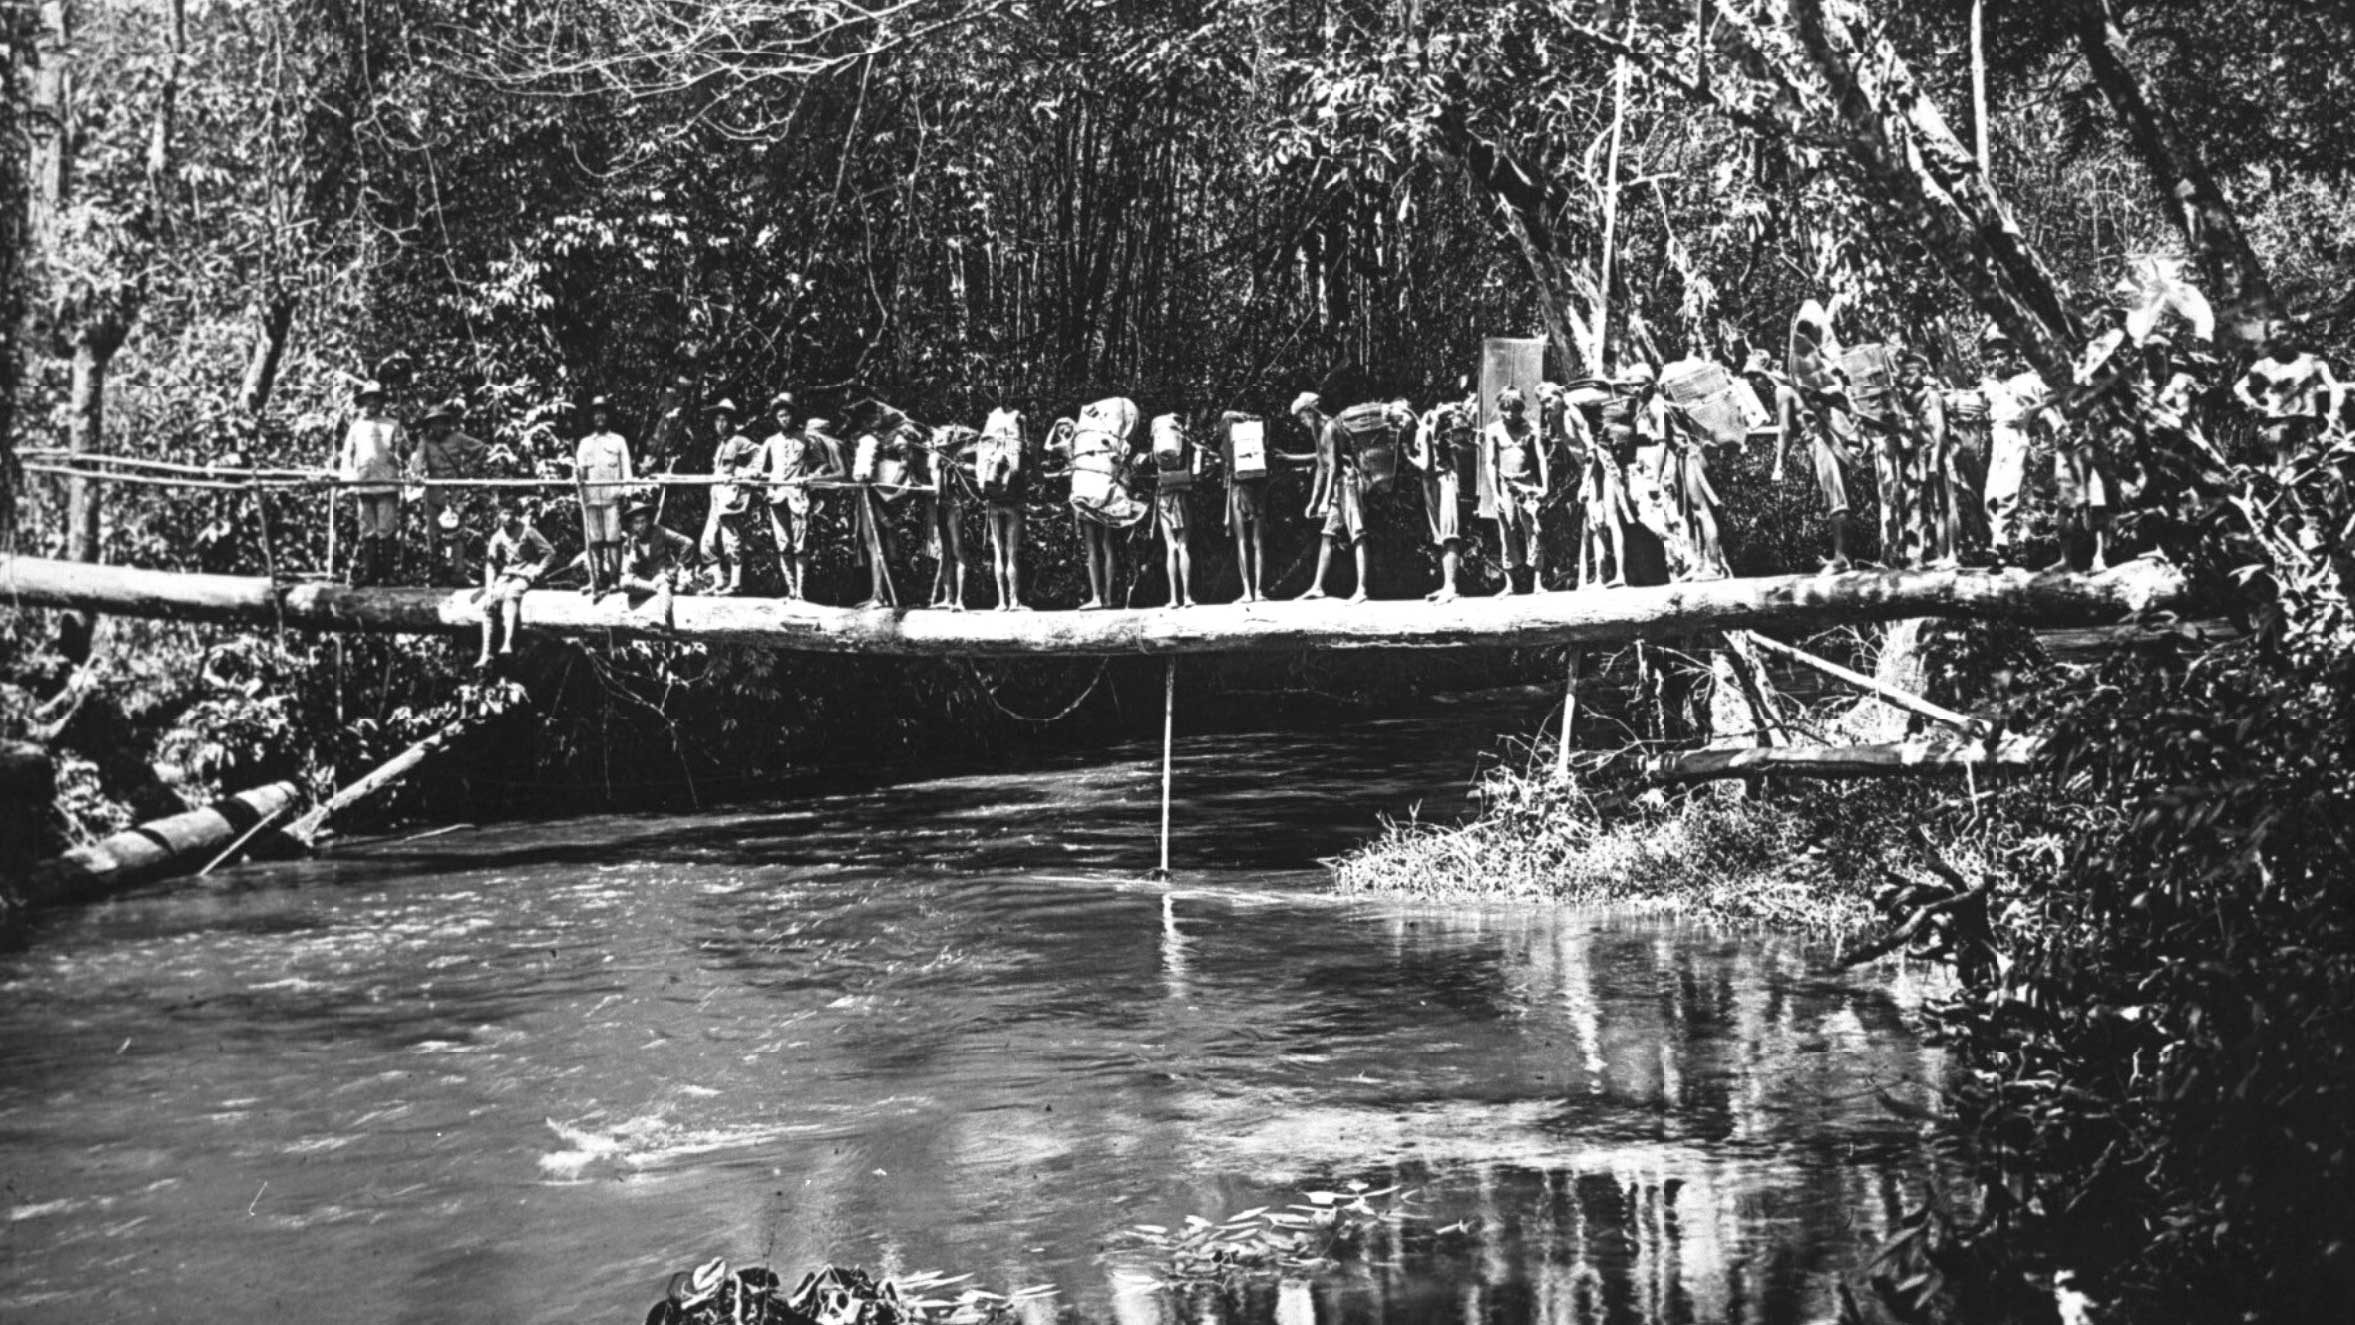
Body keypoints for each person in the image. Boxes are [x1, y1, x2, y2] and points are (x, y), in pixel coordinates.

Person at [1774, 333, 1864, 572]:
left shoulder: (1786, 390)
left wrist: (1779, 464)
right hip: (1830, 440)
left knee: (1836, 498)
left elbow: (1784, 430)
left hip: (1823, 441)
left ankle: (1842, 557)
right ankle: (1845, 555)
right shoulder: (1813, 385)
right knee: (1838, 496)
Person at [1294, 391, 1375, 603]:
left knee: (1357, 532)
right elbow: (1322, 467)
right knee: (1327, 533)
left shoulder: (1330, 428)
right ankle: (1317, 586)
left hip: (1348, 483)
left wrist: (1324, 500)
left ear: (1310, 411)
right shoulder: (1317, 430)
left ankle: (1362, 589)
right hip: (1337, 486)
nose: (1302, 422)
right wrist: (1314, 500)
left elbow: (1335, 467)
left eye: (1302, 417)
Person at [1979, 333, 2053, 559]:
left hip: (2016, 436)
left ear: (2012, 358)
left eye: (2002, 356)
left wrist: (2030, 412)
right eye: (1992, 357)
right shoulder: (1987, 384)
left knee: (2008, 491)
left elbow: (2052, 396)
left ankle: (2000, 541)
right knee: (1990, 495)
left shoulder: (2028, 380)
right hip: (1995, 438)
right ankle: (1998, 543)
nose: (1997, 361)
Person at [757, 392, 832, 602]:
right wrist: (749, 474)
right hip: (776, 495)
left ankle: (800, 591)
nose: (784, 419)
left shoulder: (806, 438)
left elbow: (823, 463)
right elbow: (757, 466)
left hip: (798, 496)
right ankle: (790, 589)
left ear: (793, 416)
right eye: (780, 416)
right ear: (776, 418)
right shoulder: (771, 442)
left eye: (787, 415)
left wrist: (810, 477)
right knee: (783, 544)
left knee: (801, 545)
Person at [2234, 329, 2339, 472]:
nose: (2284, 340)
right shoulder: (2264, 365)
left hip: (2305, 423)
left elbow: (2334, 388)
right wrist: (2255, 405)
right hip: (2273, 422)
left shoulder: (2312, 361)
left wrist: (2332, 420)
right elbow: (2239, 388)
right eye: (2278, 338)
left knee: (2318, 465)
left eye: (2287, 335)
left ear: (2295, 336)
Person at [413, 398, 493, 585]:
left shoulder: (457, 438)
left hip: (455, 491)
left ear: (445, 422)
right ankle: (435, 573)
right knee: (433, 534)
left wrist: (469, 471)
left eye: (440, 421)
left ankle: (459, 573)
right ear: (430, 424)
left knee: (458, 533)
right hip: (434, 492)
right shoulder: (425, 440)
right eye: (433, 422)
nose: (437, 426)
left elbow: (481, 449)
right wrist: (417, 473)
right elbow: (418, 460)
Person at [337, 380, 407, 586]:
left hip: (386, 482)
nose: (372, 403)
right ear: (363, 402)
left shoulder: (393, 425)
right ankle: (370, 574)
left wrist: (402, 448)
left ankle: (388, 575)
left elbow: (406, 454)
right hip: (364, 483)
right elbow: (347, 456)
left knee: (386, 529)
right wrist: (347, 480)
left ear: (381, 401)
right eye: (368, 399)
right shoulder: (356, 427)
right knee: (367, 529)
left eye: (375, 399)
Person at [475, 495, 554, 668]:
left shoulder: (527, 531)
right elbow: (490, 564)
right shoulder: (497, 537)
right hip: (507, 575)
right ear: (498, 515)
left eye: (511, 513)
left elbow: (549, 552)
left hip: (526, 573)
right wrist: (489, 590)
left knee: (511, 596)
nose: (508, 517)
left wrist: (537, 572)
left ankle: (507, 643)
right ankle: (486, 653)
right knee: (489, 604)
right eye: (504, 513)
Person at [1484, 386, 1550, 593]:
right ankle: (1509, 583)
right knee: (1507, 530)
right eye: (1505, 409)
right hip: (1505, 484)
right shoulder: (1493, 430)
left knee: (1534, 529)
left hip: (1528, 483)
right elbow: (1491, 463)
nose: (1509, 414)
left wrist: (1544, 486)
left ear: (1521, 409)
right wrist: (1495, 494)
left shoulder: (1531, 428)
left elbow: (1540, 459)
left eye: (1514, 410)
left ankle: (1538, 582)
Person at [1413, 399, 1477, 601]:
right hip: (1431, 480)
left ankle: (1451, 586)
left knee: (1450, 533)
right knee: (1441, 535)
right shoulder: (1425, 429)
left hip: (1445, 479)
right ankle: (1446, 584)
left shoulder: (1445, 428)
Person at [1892, 350, 1952, 566]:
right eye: (1903, 374)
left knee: (1940, 504)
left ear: (1923, 372)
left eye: (1911, 373)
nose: (1906, 377)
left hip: (1933, 453)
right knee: (1916, 502)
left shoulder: (1932, 395)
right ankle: (1919, 553)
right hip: (1917, 456)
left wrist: (1935, 458)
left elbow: (1940, 428)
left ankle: (1946, 554)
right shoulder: (1908, 398)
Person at [698, 399, 761, 595]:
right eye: (717, 420)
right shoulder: (721, 444)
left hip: (730, 495)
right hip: (716, 494)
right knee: (706, 542)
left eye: (724, 420)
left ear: (731, 422)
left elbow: (760, 454)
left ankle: (735, 584)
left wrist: (746, 472)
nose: (720, 424)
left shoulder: (739, 441)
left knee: (730, 539)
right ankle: (718, 582)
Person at [574, 395, 634, 596]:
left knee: (613, 539)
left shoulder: (618, 441)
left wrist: (628, 492)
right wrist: (577, 475)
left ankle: (614, 581)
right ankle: (597, 579)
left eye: (603, 412)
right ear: (592, 417)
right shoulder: (584, 443)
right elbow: (580, 473)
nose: (600, 416)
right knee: (595, 540)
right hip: (591, 500)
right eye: (596, 413)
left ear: (608, 416)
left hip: (612, 498)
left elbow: (627, 470)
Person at [976, 408, 1030, 611]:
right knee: (1012, 552)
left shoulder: (990, 423)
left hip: (993, 501)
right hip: (1014, 501)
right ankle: (1014, 601)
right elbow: (1027, 457)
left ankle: (1001, 602)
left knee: (998, 553)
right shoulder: (1019, 419)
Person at [616, 497, 700, 627]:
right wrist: (632, 550)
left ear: (648, 521)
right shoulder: (629, 543)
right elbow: (626, 573)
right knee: (625, 582)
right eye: (636, 522)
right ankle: (656, 588)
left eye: (643, 521)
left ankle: (662, 618)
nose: (640, 525)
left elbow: (688, 543)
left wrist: (676, 568)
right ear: (631, 525)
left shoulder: (659, 532)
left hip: (662, 575)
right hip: (645, 582)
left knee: (663, 582)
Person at [1220, 410, 1272, 603]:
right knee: (1258, 541)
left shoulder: (1228, 435)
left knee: (1241, 540)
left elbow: (1225, 461)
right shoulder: (1258, 432)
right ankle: (1259, 591)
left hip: (1238, 488)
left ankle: (1247, 592)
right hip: (1258, 487)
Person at [1148, 414, 1199, 609]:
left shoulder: (1158, 449)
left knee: (1171, 547)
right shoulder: (1186, 445)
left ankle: (1173, 598)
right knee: (1184, 546)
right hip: (1183, 497)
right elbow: (1197, 470)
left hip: (1164, 498)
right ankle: (1187, 596)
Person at [925, 423, 976, 610]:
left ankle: (960, 600)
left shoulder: (956, 460)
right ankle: (948, 598)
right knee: (944, 553)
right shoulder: (933, 457)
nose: (940, 441)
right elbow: (932, 482)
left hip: (953, 506)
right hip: (938, 506)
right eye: (938, 439)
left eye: (944, 438)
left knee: (957, 549)